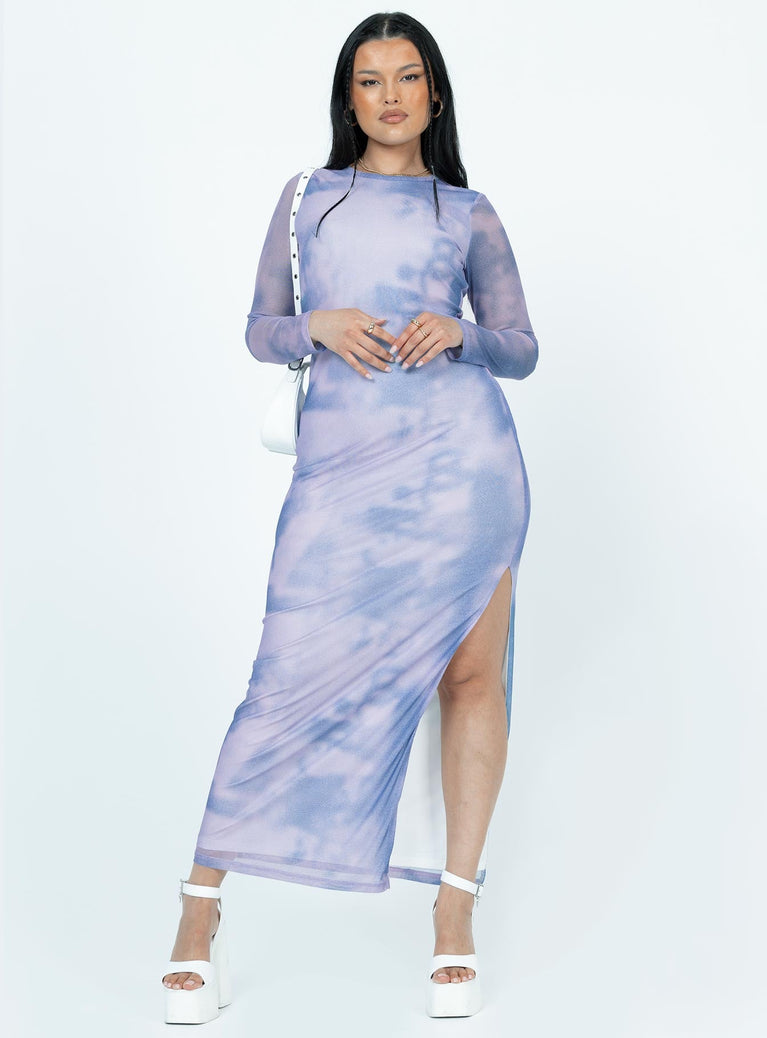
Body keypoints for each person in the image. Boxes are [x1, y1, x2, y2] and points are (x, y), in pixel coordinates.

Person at [161, 10, 538, 1022]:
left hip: (463, 475)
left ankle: (452, 917)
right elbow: (258, 329)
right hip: (341, 476)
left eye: (406, 77)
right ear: (349, 98)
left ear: (434, 94)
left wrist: (459, 333)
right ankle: (197, 915)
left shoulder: (466, 212)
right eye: (369, 81)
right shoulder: (309, 201)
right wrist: (313, 325)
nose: (389, 96)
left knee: (469, 681)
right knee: (279, 683)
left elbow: (520, 347)